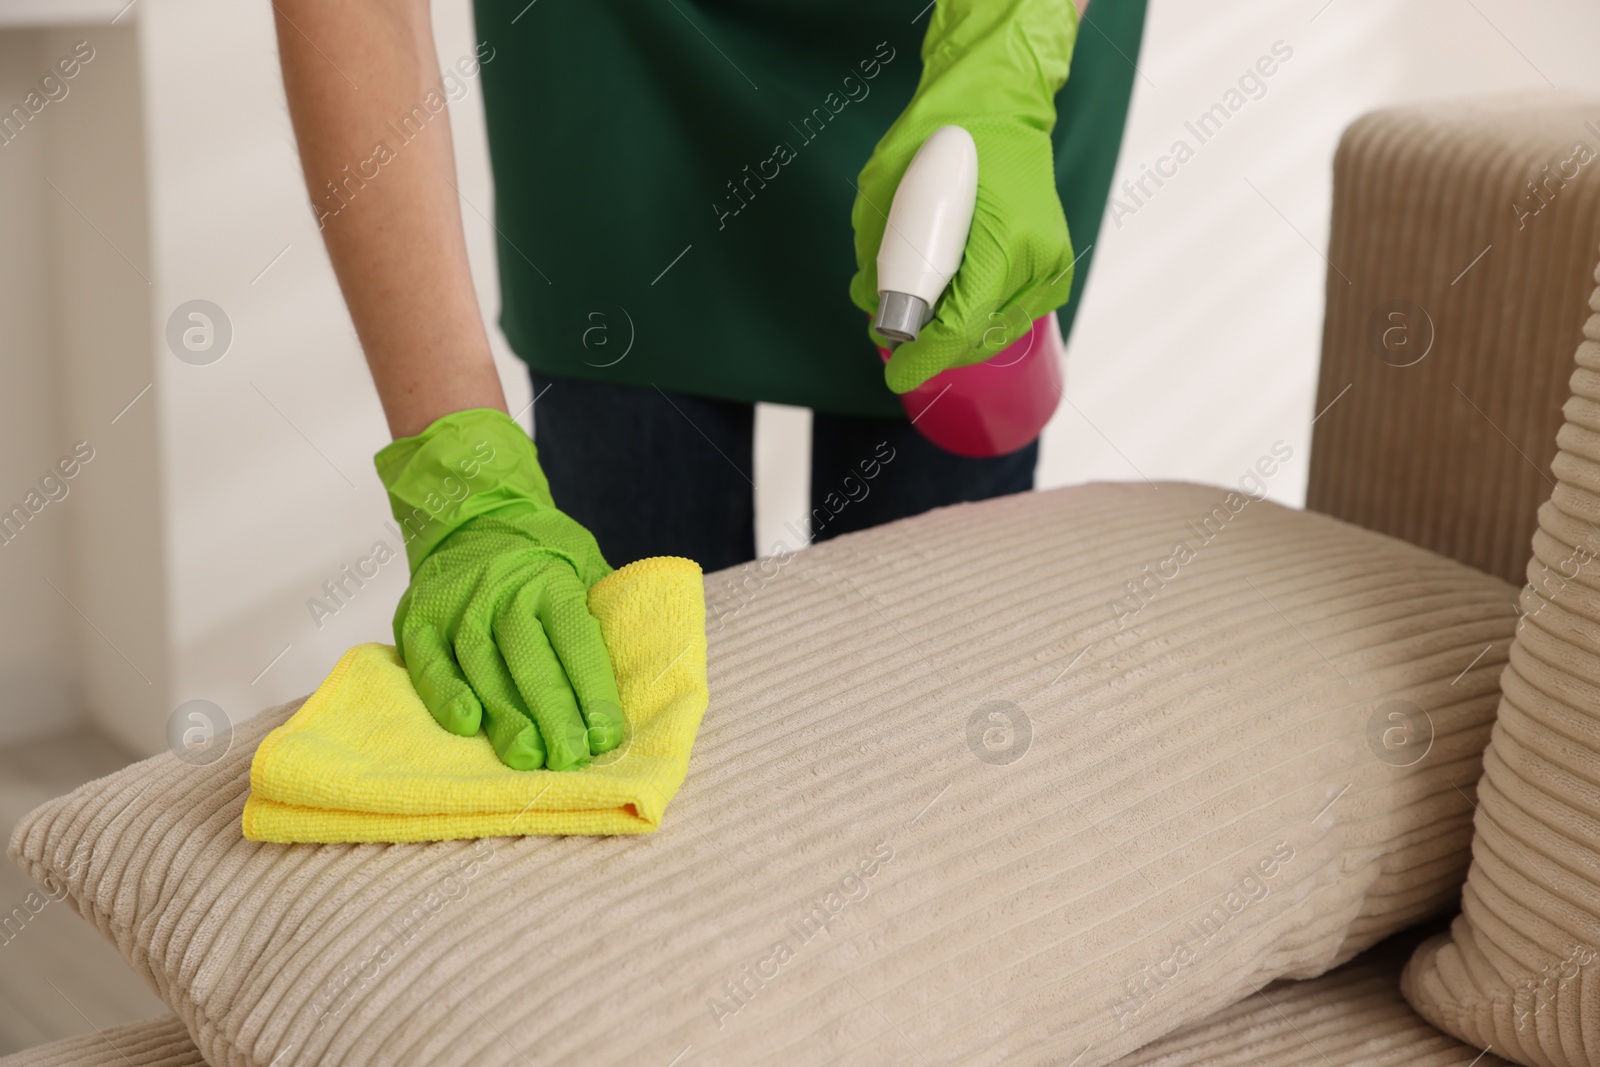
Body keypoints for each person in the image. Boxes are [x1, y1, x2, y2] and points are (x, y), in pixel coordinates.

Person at [273, 0, 1145, 770]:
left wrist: (1004, 68)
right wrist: (456, 471)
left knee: (929, 710)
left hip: (961, 58)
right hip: (612, 58)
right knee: (624, 683)